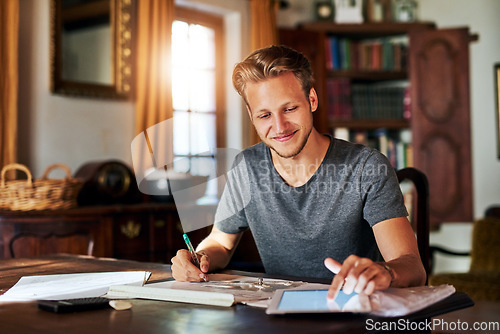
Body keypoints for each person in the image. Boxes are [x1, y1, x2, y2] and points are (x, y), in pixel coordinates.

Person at [171, 45, 426, 300]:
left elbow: (412, 266)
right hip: (277, 312)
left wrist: (385, 272)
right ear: (251, 115)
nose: (279, 126)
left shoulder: (367, 167)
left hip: (352, 309)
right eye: (264, 115)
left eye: (290, 109)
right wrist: (198, 258)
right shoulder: (246, 167)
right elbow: (221, 244)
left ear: (311, 100)